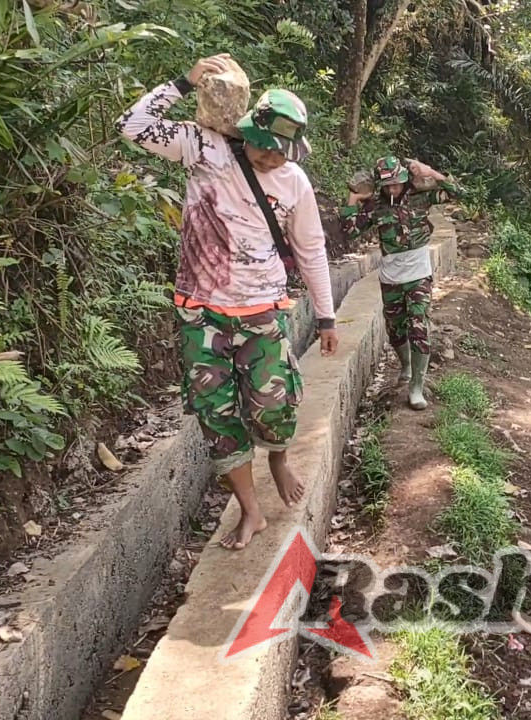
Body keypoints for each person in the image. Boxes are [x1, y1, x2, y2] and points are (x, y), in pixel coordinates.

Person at [116, 54, 339, 551]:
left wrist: (325, 316)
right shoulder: (202, 147)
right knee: (216, 418)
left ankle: (279, 458)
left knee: (272, 408)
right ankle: (250, 510)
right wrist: (184, 80)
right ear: (249, 133)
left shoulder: (294, 181)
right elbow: (132, 126)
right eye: (267, 149)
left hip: (262, 312)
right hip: (203, 312)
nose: (275, 159)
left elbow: (311, 249)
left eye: (284, 152)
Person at [340, 155, 460, 410]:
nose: (393, 189)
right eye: (388, 186)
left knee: (419, 328)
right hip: (391, 278)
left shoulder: (419, 198)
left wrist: (432, 172)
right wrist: (353, 199)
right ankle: (406, 365)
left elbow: (455, 192)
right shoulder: (376, 207)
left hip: (418, 275)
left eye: (397, 184)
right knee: (396, 329)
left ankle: (416, 385)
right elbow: (350, 231)